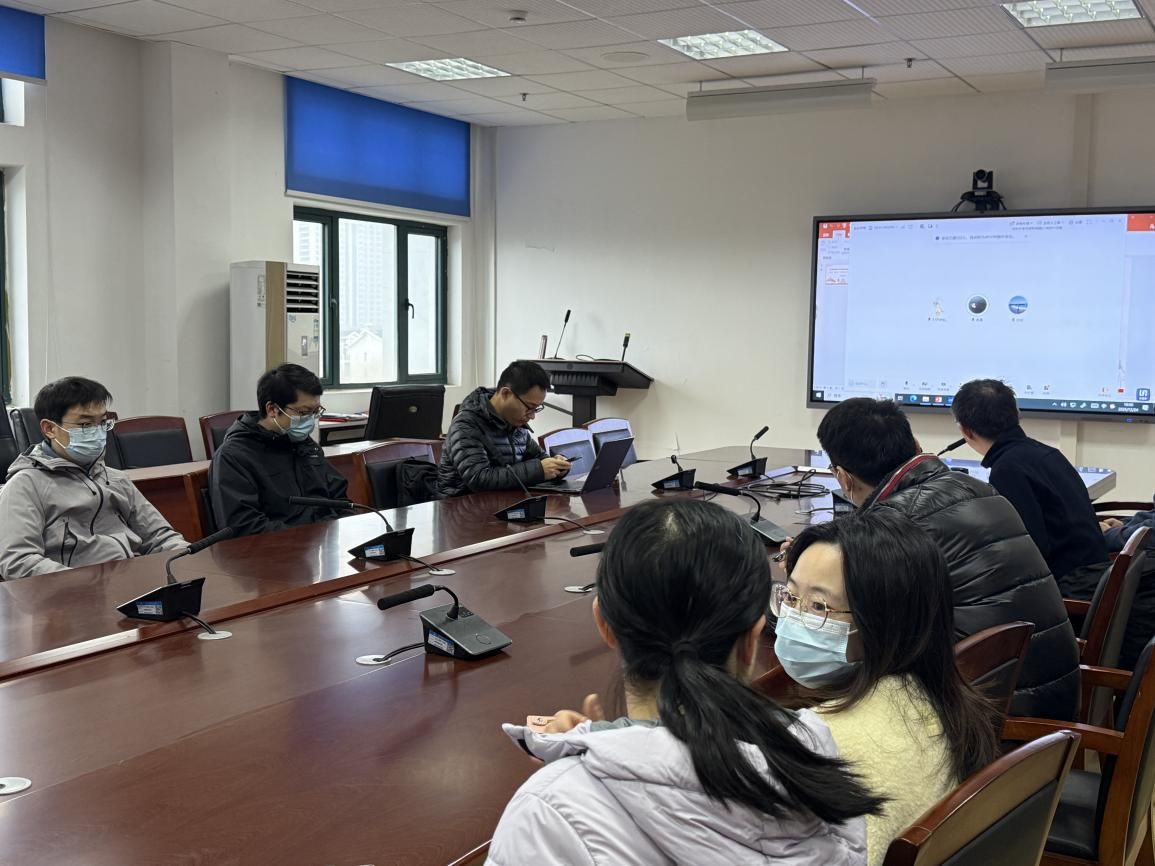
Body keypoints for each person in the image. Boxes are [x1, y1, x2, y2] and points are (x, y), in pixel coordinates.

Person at [485, 499, 883, 866]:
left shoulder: (546, 815)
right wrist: (617, 743)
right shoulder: (812, 757)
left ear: (604, 625)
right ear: (752, 640)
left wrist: (583, 771)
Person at [816, 397, 1079, 721]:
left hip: (989, 718)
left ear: (843, 477)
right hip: (1054, 697)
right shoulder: (976, 487)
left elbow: (862, 629)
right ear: (914, 445)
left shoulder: (892, 525)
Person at [778, 509, 1002, 865]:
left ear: (885, 622)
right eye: (790, 598)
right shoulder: (938, 700)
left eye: (820, 606)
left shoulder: (827, 744)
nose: (794, 618)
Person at [0, 376, 186, 578]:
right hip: (72, 591)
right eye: (86, 424)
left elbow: (161, 537)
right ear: (50, 429)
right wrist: (84, 583)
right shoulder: (26, 485)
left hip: (130, 581)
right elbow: (18, 561)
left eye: (102, 423)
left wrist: (189, 561)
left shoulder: (116, 479)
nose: (97, 432)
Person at [952, 379, 1111, 598]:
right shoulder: (1046, 453)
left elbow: (1028, 550)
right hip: (1096, 577)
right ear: (1016, 414)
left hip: (1069, 589)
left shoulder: (1008, 470)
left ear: (965, 431)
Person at [210, 363, 348, 537]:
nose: (310, 420)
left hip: (321, 541)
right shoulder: (234, 456)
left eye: (315, 412)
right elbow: (243, 526)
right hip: (278, 547)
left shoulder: (305, 445)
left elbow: (340, 499)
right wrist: (306, 538)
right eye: (303, 412)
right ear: (272, 409)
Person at [438, 361, 571, 497]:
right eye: (529, 407)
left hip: (505, 502)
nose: (532, 416)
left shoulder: (516, 425)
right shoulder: (466, 425)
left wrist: (558, 465)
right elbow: (478, 479)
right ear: (506, 393)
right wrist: (539, 470)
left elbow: (540, 459)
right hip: (460, 505)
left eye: (536, 409)